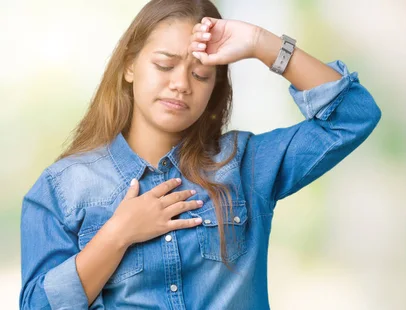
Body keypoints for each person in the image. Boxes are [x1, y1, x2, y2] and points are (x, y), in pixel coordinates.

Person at [19, 0, 381, 309]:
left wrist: (261, 43)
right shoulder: (62, 189)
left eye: (201, 74)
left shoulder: (245, 165)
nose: (181, 83)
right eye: (164, 65)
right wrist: (117, 235)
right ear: (129, 65)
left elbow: (353, 115)